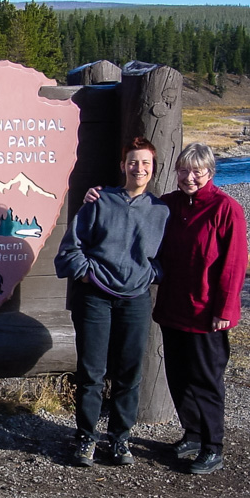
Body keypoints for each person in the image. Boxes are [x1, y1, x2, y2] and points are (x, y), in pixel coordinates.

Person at [84, 142, 248, 475]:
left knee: (206, 379)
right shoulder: (169, 205)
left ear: (210, 172)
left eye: (197, 171)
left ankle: (212, 446)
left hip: (206, 312)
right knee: (177, 375)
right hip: (173, 307)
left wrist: (225, 310)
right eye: (184, 170)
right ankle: (192, 433)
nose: (190, 177)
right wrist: (96, 195)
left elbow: (234, 264)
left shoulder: (226, 209)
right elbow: (133, 211)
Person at [54, 137, 170, 467]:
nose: (139, 168)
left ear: (153, 168)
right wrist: (88, 275)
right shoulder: (99, 201)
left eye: (145, 163)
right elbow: (69, 250)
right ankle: (86, 438)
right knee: (91, 371)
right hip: (95, 299)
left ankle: (120, 439)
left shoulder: (160, 211)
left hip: (135, 300)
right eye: (133, 162)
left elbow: (167, 259)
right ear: (123, 166)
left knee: (129, 372)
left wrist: (151, 274)